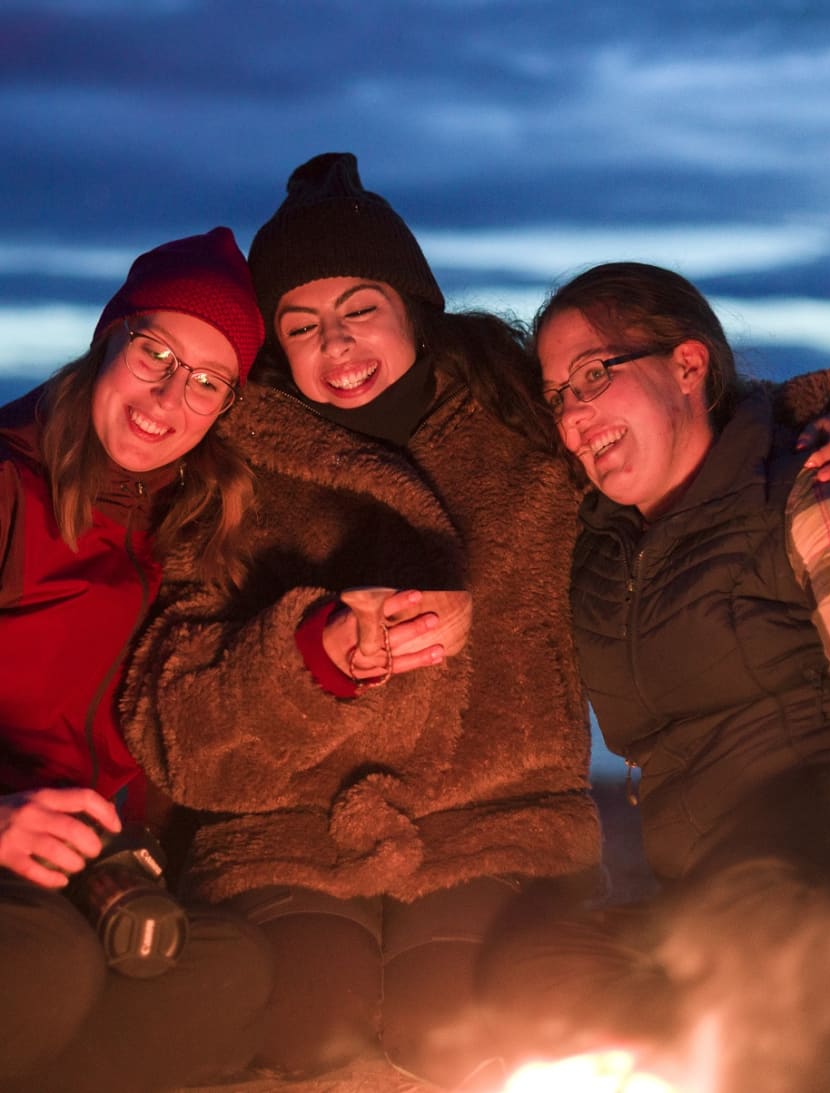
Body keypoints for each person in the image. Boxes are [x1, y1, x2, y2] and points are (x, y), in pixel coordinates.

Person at [120, 152, 603, 1088]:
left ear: (412, 304)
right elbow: (175, 726)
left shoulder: (526, 425)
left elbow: (672, 440)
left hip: (493, 818)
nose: (335, 347)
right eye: (302, 326)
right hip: (291, 828)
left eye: (358, 311)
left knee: (458, 1036)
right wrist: (316, 654)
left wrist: (827, 422)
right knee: (313, 1036)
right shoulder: (229, 471)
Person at [0, 227, 272, 1093]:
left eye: (206, 381)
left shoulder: (189, 521)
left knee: (226, 965)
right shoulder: (10, 485)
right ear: (108, 337)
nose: (168, 395)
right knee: (49, 965)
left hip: (94, 858)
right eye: (155, 350)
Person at [534, 260, 830, 885]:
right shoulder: (595, 551)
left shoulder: (804, 490)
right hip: (698, 900)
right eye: (556, 396)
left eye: (593, 374)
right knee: (533, 960)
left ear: (687, 366)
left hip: (816, 883)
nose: (572, 416)